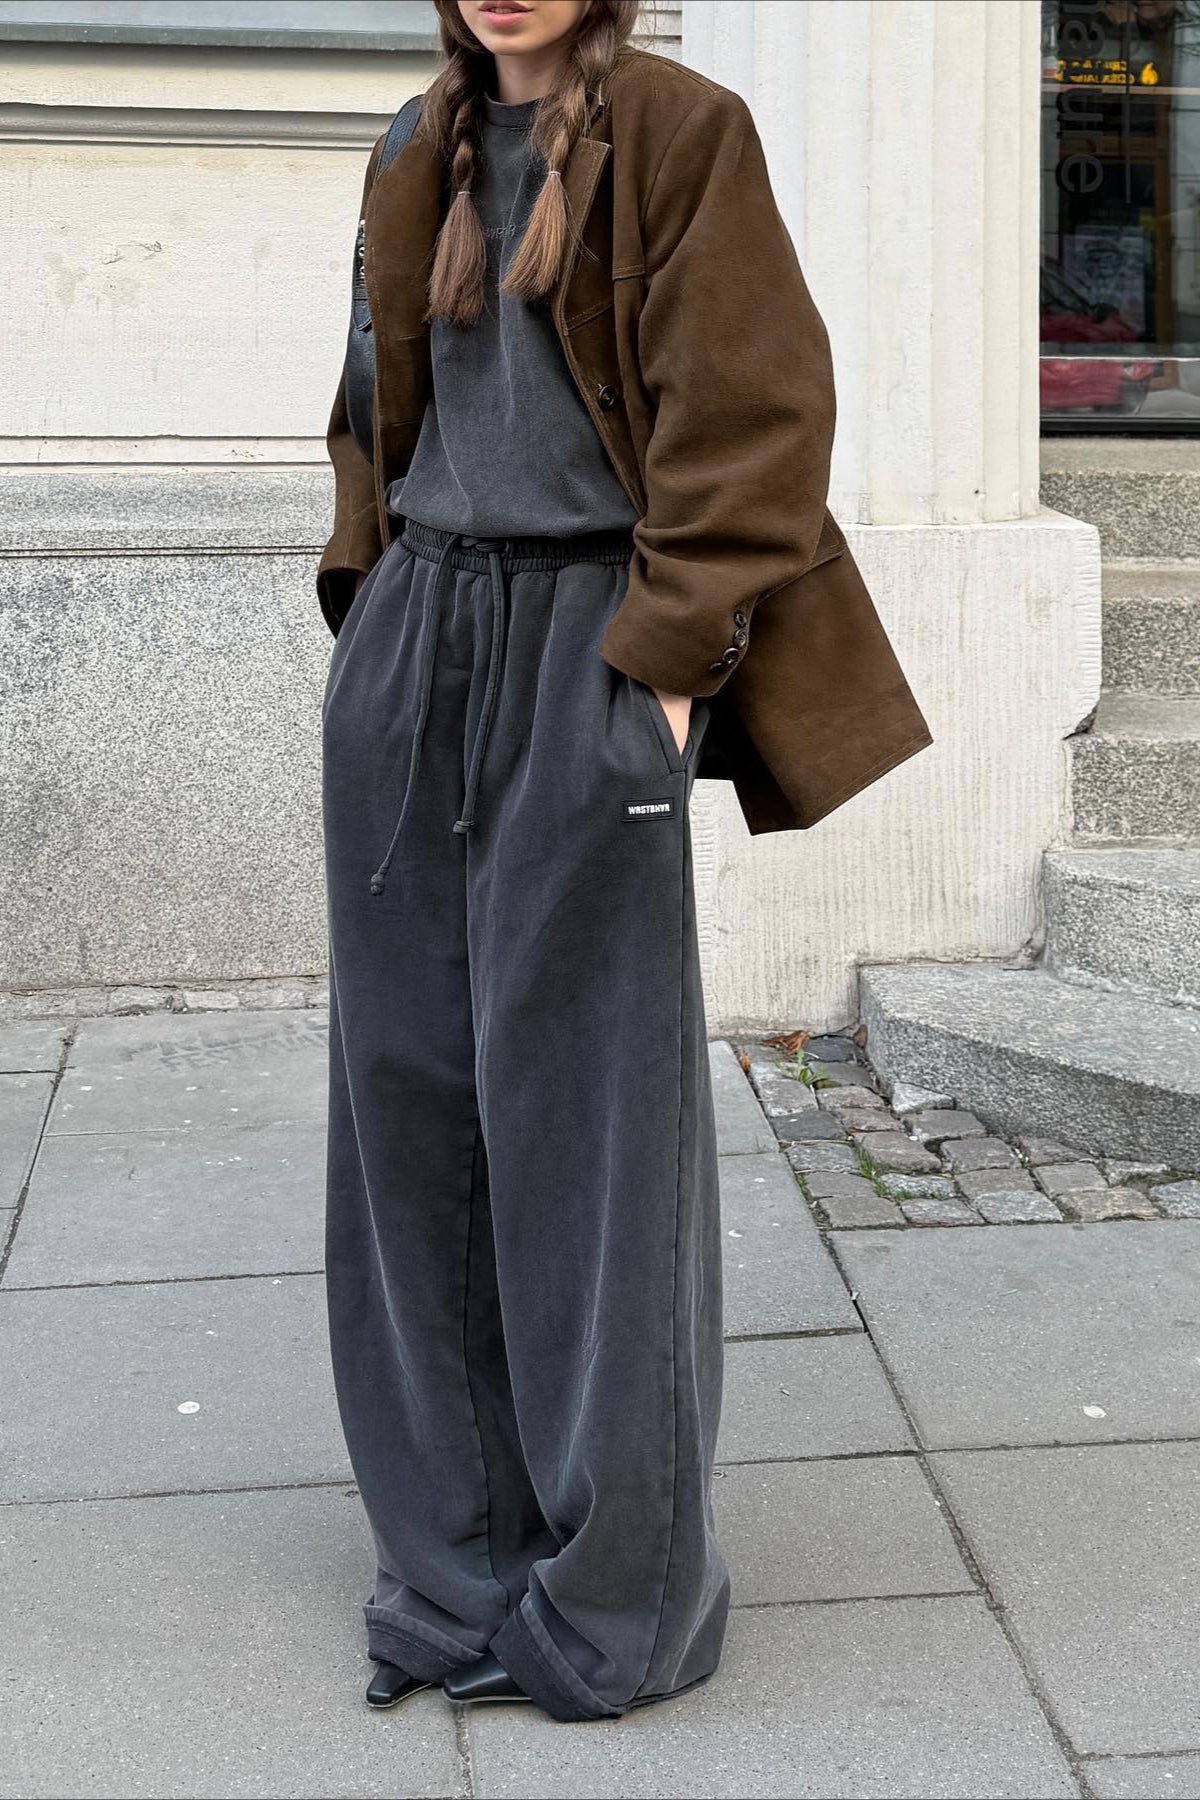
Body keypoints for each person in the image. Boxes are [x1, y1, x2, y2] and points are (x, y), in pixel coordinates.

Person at [318, 0, 931, 1724]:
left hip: (587, 645)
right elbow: (372, 403)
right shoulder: (413, 141)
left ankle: (620, 1600)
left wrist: (662, 680)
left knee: (593, 1130)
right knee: (410, 1112)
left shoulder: (682, 127)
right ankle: (454, 1570)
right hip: (421, 639)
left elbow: (756, 417)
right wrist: (372, 618)